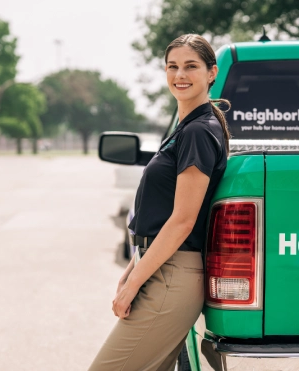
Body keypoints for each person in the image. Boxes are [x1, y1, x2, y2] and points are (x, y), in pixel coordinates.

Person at [87, 34, 231, 371]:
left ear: (211, 73)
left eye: (190, 66)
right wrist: (133, 269)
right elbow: (160, 215)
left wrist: (133, 284)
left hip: (172, 277)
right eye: (173, 66)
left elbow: (182, 221)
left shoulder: (198, 132)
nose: (180, 74)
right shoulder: (186, 128)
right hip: (160, 268)